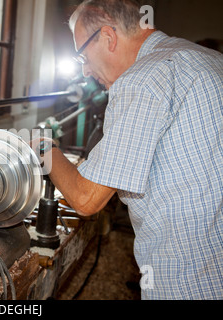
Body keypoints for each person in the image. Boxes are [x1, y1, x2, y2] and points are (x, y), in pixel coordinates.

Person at [36, 0, 222, 299]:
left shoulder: (144, 78)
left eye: (82, 56)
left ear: (108, 37)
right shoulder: (208, 59)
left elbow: (85, 199)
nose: (84, 71)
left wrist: (44, 147)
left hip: (188, 278)